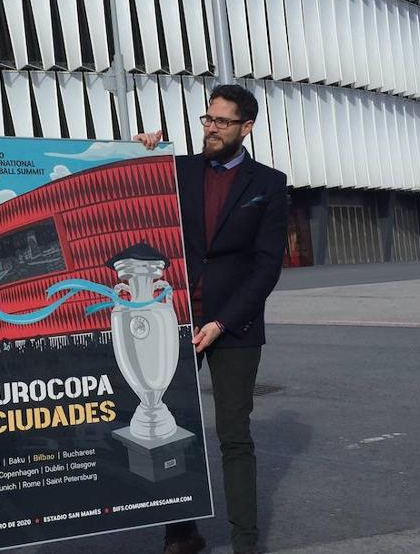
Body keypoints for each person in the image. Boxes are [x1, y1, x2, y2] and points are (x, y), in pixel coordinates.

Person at [135, 84, 289, 554]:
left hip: (234, 326)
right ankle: (180, 533)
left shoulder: (268, 184)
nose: (211, 129)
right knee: (171, 426)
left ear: (247, 127)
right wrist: (142, 150)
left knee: (234, 435)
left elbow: (267, 266)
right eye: (207, 119)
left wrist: (221, 323)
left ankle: (246, 541)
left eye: (221, 122)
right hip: (177, 320)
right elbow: (133, 191)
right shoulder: (179, 170)